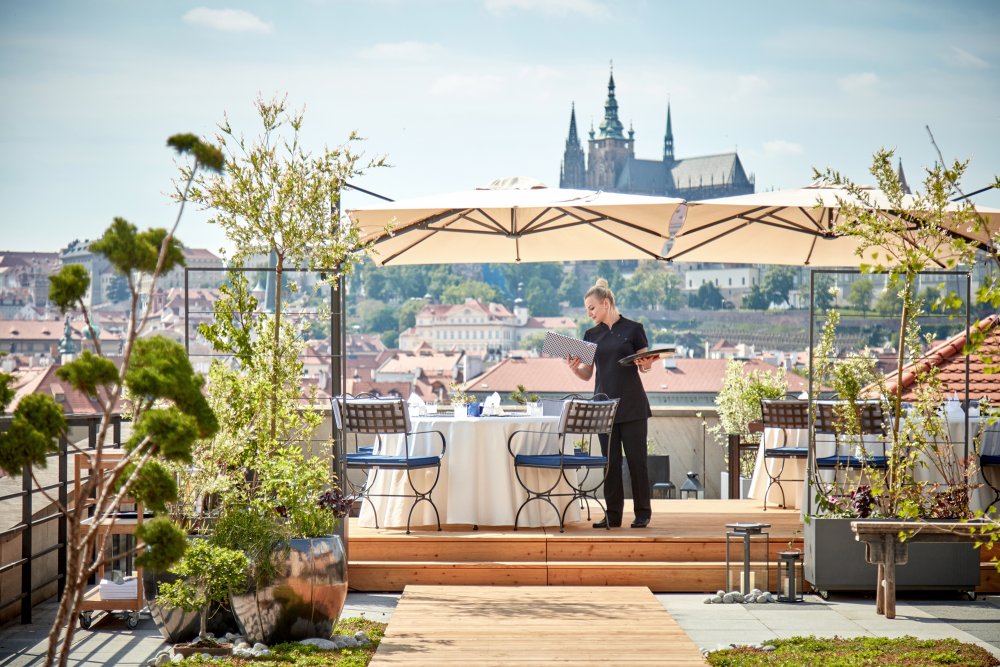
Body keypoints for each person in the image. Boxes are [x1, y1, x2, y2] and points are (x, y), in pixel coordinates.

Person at [567, 278, 653, 529]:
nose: (589, 313)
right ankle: (613, 515)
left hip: (633, 405)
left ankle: (642, 513)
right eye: (587, 309)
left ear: (605, 303)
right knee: (610, 463)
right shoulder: (590, 335)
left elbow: (645, 366)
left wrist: (646, 363)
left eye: (592, 307)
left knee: (637, 461)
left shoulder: (634, 329)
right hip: (604, 408)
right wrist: (574, 369)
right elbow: (587, 373)